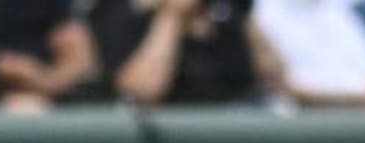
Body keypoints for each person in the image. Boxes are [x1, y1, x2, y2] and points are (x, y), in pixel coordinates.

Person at [88, 0, 284, 105]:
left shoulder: (226, 11)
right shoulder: (122, 12)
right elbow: (141, 91)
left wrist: (243, 15)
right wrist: (172, 16)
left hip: (237, 122)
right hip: (171, 131)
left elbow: (273, 73)